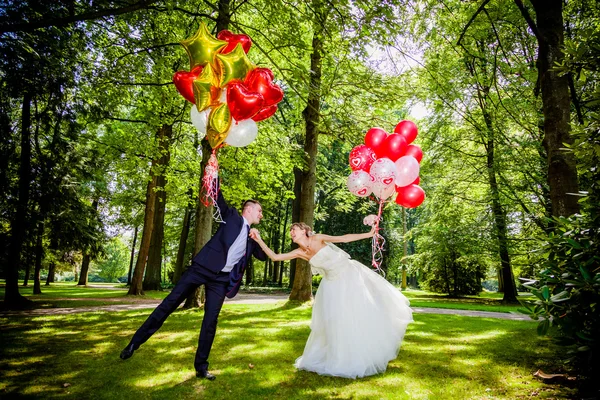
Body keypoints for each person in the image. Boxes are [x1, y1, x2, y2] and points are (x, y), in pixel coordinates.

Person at [119, 181, 266, 381]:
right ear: (248, 209)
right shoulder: (231, 215)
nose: (261, 215)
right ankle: (134, 344)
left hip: (220, 280)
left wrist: (257, 239)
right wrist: (213, 173)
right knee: (169, 304)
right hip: (201, 268)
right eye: (259, 211)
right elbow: (217, 197)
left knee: (210, 322)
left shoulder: (252, 236)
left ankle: (201, 368)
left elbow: (263, 257)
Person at [249, 222, 413, 379]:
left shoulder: (318, 238)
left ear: (305, 230)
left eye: (295, 229)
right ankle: (340, 357)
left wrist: (369, 234)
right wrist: (259, 240)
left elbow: (344, 238)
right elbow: (276, 257)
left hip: (349, 275)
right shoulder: (300, 252)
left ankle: (366, 351)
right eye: (290, 230)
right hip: (331, 285)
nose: (291, 232)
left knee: (358, 312)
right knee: (335, 321)